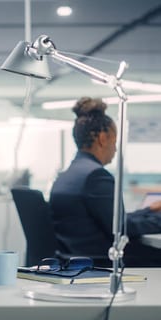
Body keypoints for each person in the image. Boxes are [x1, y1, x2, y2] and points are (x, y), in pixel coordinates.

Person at [49, 97, 161, 267]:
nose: (115, 149)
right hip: (103, 259)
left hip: (76, 257)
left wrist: (148, 210)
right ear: (102, 138)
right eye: (114, 141)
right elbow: (122, 228)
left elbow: (114, 220)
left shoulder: (68, 176)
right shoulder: (96, 176)